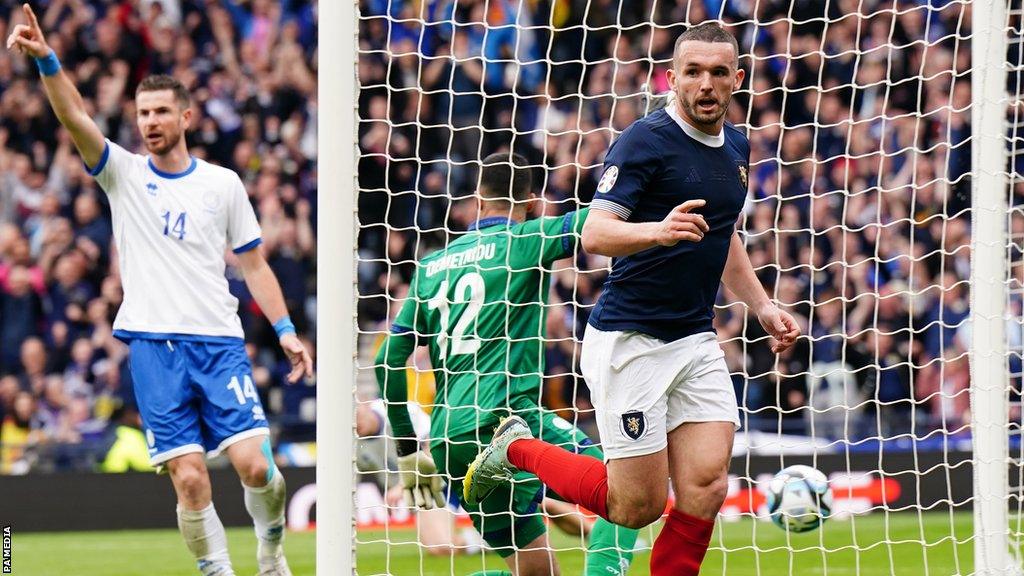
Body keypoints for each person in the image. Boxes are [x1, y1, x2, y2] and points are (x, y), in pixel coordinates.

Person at [464, 23, 801, 576]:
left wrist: (761, 305)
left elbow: (722, 235)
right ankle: (517, 450)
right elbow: (595, 234)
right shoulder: (645, 140)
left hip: (693, 337)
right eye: (693, 72)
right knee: (635, 506)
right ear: (673, 78)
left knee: (706, 486)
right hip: (631, 339)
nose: (706, 84)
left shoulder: (737, 146)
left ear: (738, 79)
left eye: (719, 72)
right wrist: (657, 231)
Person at [6, 5, 314, 576]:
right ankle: (218, 572)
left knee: (255, 468)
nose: (150, 121)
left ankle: (271, 549)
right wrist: (48, 59)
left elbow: (255, 266)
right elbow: (74, 115)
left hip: (218, 342)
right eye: (143, 112)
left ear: (187, 117)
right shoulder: (122, 173)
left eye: (161, 111)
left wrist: (287, 331)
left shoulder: (222, 184)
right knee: (190, 477)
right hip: (152, 347)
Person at [375, 151, 638, 576]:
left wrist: (407, 451)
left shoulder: (429, 267)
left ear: (478, 198)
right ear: (532, 201)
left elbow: (387, 361)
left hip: (448, 438)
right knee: (624, 481)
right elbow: (599, 221)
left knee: (538, 572)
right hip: (507, 419)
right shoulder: (529, 238)